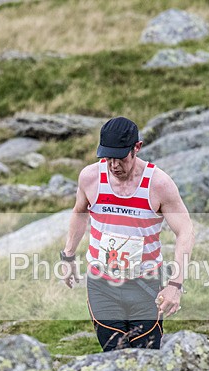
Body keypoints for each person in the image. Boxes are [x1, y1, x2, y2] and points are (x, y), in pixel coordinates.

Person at [61, 117, 195, 350]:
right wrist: (68, 256)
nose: (114, 165)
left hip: (146, 285)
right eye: (108, 158)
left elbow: (185, 230)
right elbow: (79, 213)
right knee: (114, 352)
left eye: (121, 158)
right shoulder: (90, 178)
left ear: (137, 148)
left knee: (145, 358)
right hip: (102, 283)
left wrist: (175, 284)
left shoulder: (158, 183)